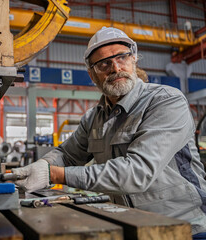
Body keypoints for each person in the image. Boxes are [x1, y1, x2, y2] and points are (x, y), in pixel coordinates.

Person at [12, 27, 206, 238]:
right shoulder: (94, 117)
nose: (115, 68)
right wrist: (42, 166)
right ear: (92, 74)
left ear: (134, 60)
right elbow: (67, 154)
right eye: (103, 63)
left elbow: (136, 173)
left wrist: (54, 174)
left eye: (122, 57)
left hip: (184, 227)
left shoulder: (166, 101)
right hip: (128, 223)